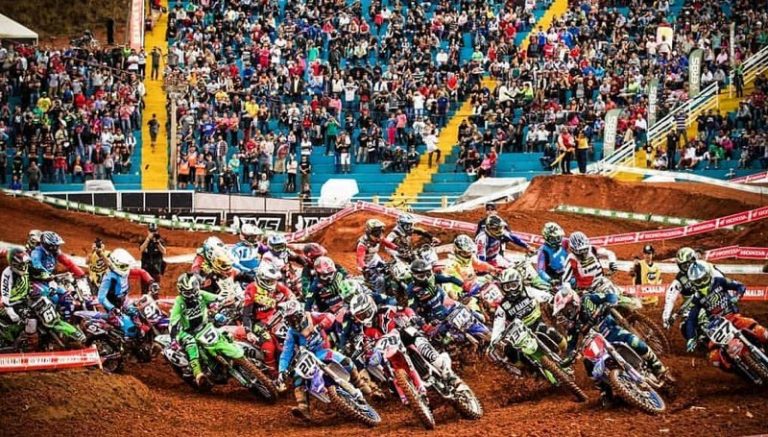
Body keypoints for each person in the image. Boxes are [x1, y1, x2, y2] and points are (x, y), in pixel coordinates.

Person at [553, 284, 668, 401]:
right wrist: (568, 358)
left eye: (567, 308)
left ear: (574, 301)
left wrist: (609, 303)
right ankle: (605, 392)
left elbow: (610, 296)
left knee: (635, 342)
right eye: (564, 311)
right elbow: (571, 345)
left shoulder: (588, 300)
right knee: (588, 363)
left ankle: (658, 368)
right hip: (597, 344)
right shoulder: (573, 326)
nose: (567, 313)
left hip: (611, 331)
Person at [277, 299, 374, 420]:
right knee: (298, 377)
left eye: (294, 318)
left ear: (300, 314)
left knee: (346, 362)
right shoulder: (291, 333)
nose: (293, 322)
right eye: (290, 320)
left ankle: (360, 383)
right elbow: (286, 352)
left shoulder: (312, 316)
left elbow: (330, 316)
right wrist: (282, 371)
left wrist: (320, 326)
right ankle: (303, 408)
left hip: (322, 351)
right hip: (307, 357)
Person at [683, 262, 767, 368]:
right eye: (698, 282)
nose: (702, 283)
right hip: (716, 327)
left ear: (708, 275)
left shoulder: (719, 281)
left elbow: (739, 286)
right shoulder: (697, 298)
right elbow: (691, 319)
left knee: (762, 332)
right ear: (693, 283)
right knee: (715, 359)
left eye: (704, 279)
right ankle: (737, 370)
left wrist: (737, 296)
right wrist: (691, 338)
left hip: (732, 317)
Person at [487, 268, 564, 367]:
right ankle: (529, 372)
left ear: (519, 283)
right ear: (502, 288)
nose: (511, 290)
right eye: (507, 287)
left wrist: (552, 299)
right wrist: (494, 342)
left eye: (513, 285)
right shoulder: (502, 307)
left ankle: (560, 357)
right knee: (512, 353)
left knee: (559, 341)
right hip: (519, 334)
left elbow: (544, 296)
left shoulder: (528, 291)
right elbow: (498, 326)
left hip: (536, 324)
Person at [241, 262, 294, 377]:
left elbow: (287, 291)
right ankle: (273, 373)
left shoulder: (275, 285)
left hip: (276, 316)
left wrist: (292, 299)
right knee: (269, 346)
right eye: (269, 281)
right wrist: (249, 331)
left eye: (273, 281)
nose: (272, 283)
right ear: (261, 279)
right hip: (258, 322)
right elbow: (246, 314)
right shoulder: (251, 289)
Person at [170, 273, 223, 386]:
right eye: (187, 293)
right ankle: (198, 374)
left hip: (204, 327)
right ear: (181, 291)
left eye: (193, 291)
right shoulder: (179, 301)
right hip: (187, 331)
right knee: (191, 344)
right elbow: (173, 322)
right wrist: (173, 339)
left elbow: (218, 298)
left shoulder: (201, 294)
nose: (191, 295)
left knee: (222, 333)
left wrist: (220, 305)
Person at [97, 248, 158, 337]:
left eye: (127, 266)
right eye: (123, 266)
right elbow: (101, 298)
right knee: (131, 329)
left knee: (144, 316)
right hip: (114, 307)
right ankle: (126, 343)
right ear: (115, 264)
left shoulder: (125, 272)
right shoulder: (109, 278)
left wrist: (151, 282)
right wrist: (112, 308)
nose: (126, 268)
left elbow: (141, 272)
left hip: (125, 301)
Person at [0, 248, 36, 347]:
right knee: (21, 318)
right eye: (21, 264)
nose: (23, 266)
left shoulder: (27, 267)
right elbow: (5, 293)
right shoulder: (7, 273)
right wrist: (9, 310)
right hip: (10, 303)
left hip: (24, 300)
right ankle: (15, 341)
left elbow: (39, 274)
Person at [140, 223, 166, 292]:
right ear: (148, 231)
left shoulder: (160, 241)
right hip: (145, 270)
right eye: (151, 231)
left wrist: (158, 243)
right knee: (144, 291)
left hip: (156, 269)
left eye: (154, 231)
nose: (153, 233)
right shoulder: (143, 240)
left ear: (157, 231)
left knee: (155, 291)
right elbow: (141, 249)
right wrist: (148, 239)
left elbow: (164, 251)